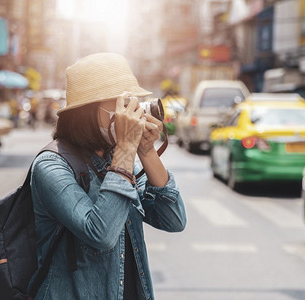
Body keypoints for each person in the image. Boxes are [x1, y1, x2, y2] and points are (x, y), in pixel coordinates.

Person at [29, 53, 187, 299]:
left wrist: (145, 151)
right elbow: (100, 234)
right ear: (88, 112)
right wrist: (125, 149)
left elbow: (173, 219)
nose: (131, 115)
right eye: (121, 106)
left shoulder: (118, 160)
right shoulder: (51, 165)